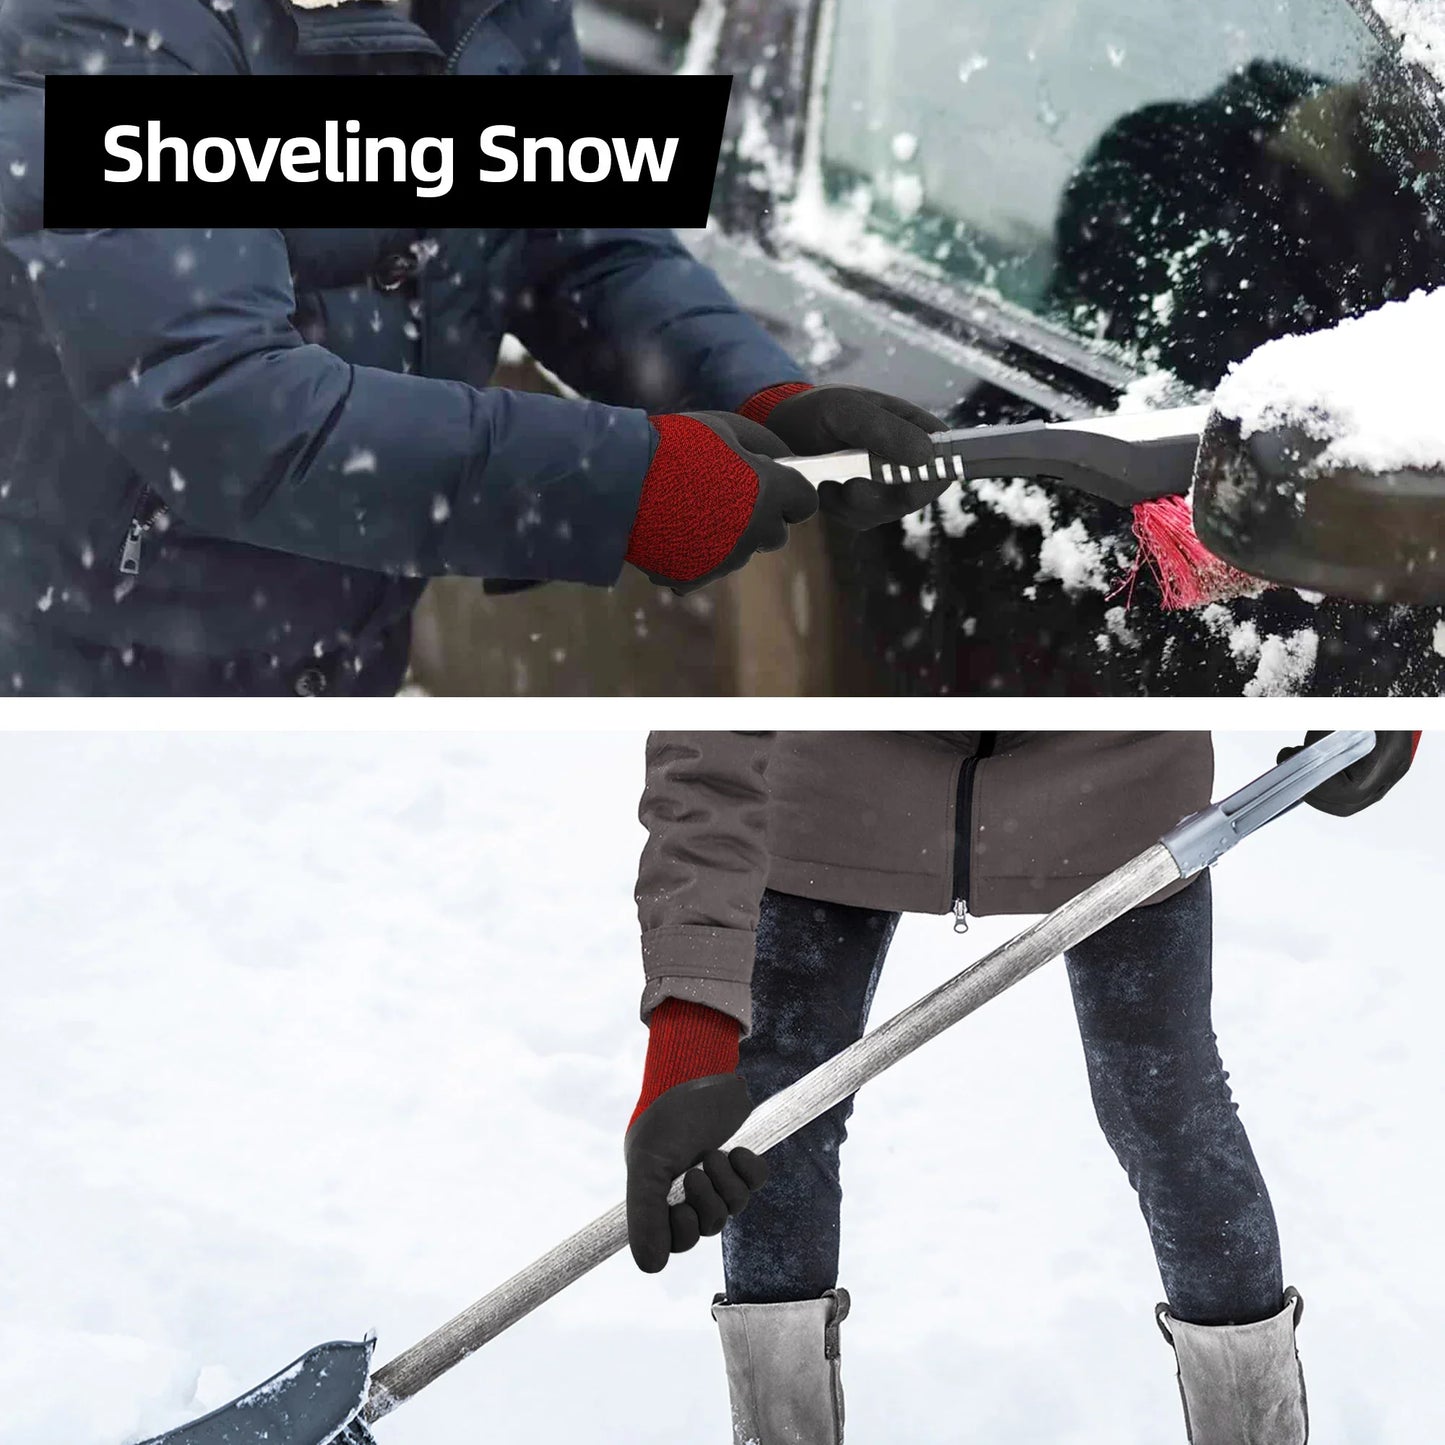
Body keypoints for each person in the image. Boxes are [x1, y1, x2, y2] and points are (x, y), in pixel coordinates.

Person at [0, 0, 946, 695]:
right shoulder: (111, 28)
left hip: (341, 643)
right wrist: (626, 487)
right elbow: (222, 402)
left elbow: (573, 235)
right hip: (103, 671)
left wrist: (758, 392)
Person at [623, 730, 1418, 1444]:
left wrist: (1385, 695)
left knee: (1166, 1111)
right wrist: (689, 1038)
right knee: (774, 1126)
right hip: (835, 792)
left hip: (1117, 782)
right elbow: (711, 732)